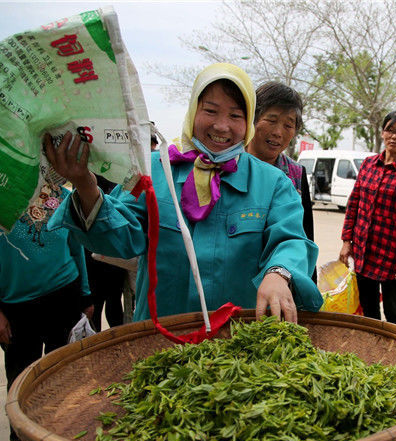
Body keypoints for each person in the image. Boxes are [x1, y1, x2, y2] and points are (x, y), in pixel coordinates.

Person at [45, 63, 322, 323]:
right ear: (192, 112)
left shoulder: (273, 183)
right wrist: (84, 184)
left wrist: (278, 272)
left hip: (238, 347)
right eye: (211, 111)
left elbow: (291, 240)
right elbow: (118, 237)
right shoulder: (154, 170)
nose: (222, 126)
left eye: (235, 115)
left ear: (247, 122)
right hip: (161, 342)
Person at [0, 184, 93, 441]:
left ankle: (60, 434)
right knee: (20, 375)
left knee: (61, 373)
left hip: (64, 296)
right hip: (17, 307)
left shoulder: (64, 198)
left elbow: (76, 249)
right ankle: (22, 440)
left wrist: (85, 295)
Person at [338, 110, 396, 326]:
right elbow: (354, 204)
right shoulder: (368, 164)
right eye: (389, 130)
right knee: (368, 310)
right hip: (364, 251)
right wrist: (346, 241)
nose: (394, 136)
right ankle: (373, 353)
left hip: (393, 256)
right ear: (382, 133)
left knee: (394, 312)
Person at [246, 81, 314, 244]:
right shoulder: (229, 165)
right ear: (252, 120)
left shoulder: (297, 174)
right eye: (271, 120)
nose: (278, 132)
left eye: (288, 125)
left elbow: (305, 236)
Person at [83, 174, 128, 331]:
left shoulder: (119, 178)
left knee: (113, 303)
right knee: (100, 305)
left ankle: (117, 342)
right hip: (95, 257)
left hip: (113, 257)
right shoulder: (87, 179)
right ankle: (102, 343)